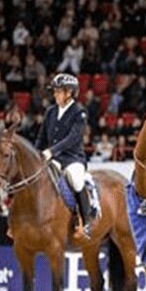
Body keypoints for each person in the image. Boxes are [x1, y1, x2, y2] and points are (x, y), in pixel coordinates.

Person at [35, 73, 92, 237]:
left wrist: (51, 151)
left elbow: (73, 139)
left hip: (72, 158)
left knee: (76, 180)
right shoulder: (51, 111)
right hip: (53, 159)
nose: (55, 94)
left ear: (69, 93)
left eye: (59, 91)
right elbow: (41, 138)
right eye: (55, 91)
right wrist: (35, 154)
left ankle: (84, 222)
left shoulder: (79, 112)